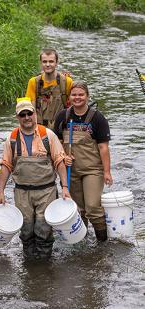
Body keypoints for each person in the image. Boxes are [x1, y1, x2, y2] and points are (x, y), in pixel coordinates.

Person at [0, 98, 71, 259]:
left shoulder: (47, 135)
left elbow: (59, 162)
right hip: (22, 192)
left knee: (43, 228)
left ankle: (44, 264)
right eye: (22, 115)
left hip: (46, 191)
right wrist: (0, 192)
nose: (26, 117)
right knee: (26, 229)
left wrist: (65, 187)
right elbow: (6, 165)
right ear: (17, 117)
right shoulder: (12, 138)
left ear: (34, 114)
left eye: (29, 113)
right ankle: (30, 262)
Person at [54, 81, 113, 242]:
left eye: (81, 94)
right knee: (77, 210)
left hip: (92, 170)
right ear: (70, 97)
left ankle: (103, 243)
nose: (77, 97)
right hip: (70, 170)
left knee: (93, 207)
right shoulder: (63, 116)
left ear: (87, 96)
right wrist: (62, 155)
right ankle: (82, 243)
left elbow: (103, 148)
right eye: (74, 95)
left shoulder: (97, 118)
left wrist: (107, 172)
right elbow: (55, 142)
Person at [25, 48, 73, 129]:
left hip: (61, 128)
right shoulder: (33, 82)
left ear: (57, 63)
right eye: (44, 62)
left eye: (51, 61)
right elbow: (31, 110)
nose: (47, 64)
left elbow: (73, 107)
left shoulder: (67, 82)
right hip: (40, 128)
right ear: (41, 63)